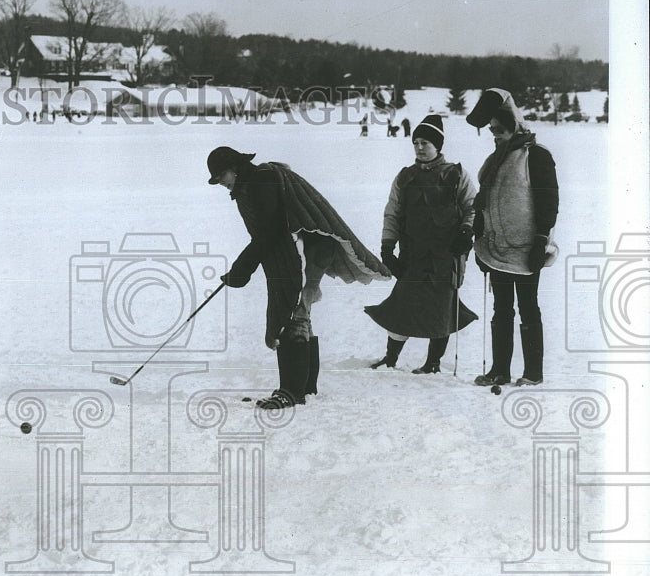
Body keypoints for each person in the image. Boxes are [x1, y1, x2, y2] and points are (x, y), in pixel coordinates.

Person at [207, 147, 391, 408]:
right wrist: (241, 270)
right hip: (293, 253)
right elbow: (266, 234)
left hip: (299, 253)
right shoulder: (252, 184)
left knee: (291, 314)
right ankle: (305, 387)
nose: (221, 183)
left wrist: (241, 269)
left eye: (221, 176)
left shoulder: (261, 181)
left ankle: (291, 391)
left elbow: (270, 231)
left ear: (234, 168)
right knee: (298, 312)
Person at [365, 114, 479, 373]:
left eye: (425, 142)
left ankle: (433, 363)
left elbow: (473, 207)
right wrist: (387, 247)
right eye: (415, 142)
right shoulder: (405, 177)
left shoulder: (456, 175)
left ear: (438, 145)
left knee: (441, 309)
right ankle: (390, 359)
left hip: (446, 256)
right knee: (402, 305)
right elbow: (392, 213)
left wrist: (466, 232)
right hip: (412, 255)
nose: (419, 147)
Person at [466, 89, 559, 387]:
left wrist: (541, 240)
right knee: (501, 309)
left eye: (499, 129)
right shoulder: (494, 159)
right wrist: (479, 238)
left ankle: (533, 372)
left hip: (526, 249)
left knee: (528, 307)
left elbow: (549, 204)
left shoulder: (537, 155)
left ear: (514, 125)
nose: (494, 134)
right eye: (491, 130)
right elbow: (483, 202)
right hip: (496, 249)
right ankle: (500, 370)